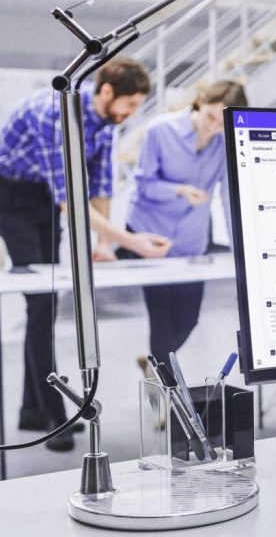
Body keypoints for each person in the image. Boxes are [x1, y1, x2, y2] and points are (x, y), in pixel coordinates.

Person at [0, 56, 172, 452]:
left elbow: (100, 183)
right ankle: (54, 417)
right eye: (130, 103)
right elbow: (71, 202)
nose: (132, 112)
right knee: (41, 302)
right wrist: (133, 242)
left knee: (44, 303)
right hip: (10, 196)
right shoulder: (53, 115)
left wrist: (105, 244)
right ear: (106, 90)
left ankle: (31, 410)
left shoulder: (106, 119)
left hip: (43, 197)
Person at [117, 80, 248, 368]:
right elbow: (142, 186)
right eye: (210, 117)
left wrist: (239, 249)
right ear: (200, 101)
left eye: (222, 122)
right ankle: (165, 385)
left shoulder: (225, 143)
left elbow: (230, 198)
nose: (213, 127)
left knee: (188, 320)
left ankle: (155, 364)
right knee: (162, 320)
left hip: (191, 242)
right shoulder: (160, 130)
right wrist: (178, 190)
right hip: (150, 237)